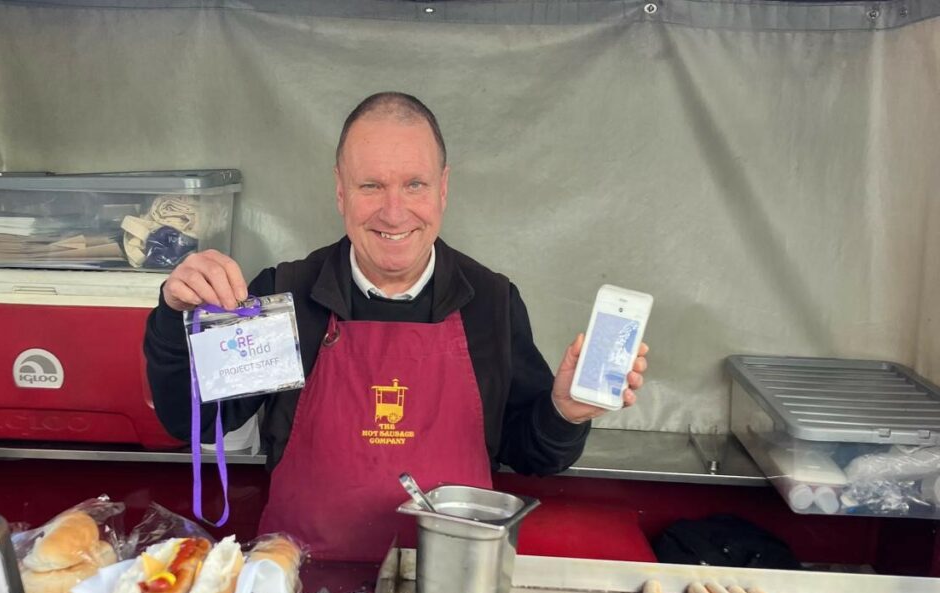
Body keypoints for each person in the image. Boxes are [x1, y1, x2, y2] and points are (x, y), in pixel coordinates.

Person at [144, 92, 648, 559]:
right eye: (371, 186)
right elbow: (193, 420)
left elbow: (531, 454)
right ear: (341, 192)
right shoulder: (287, 295)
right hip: (301, 585)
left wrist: (563, 412)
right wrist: (173, 316)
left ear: (443, 188)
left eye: (414, 184)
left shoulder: (491, 302)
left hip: (449, 588)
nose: (393, 210)